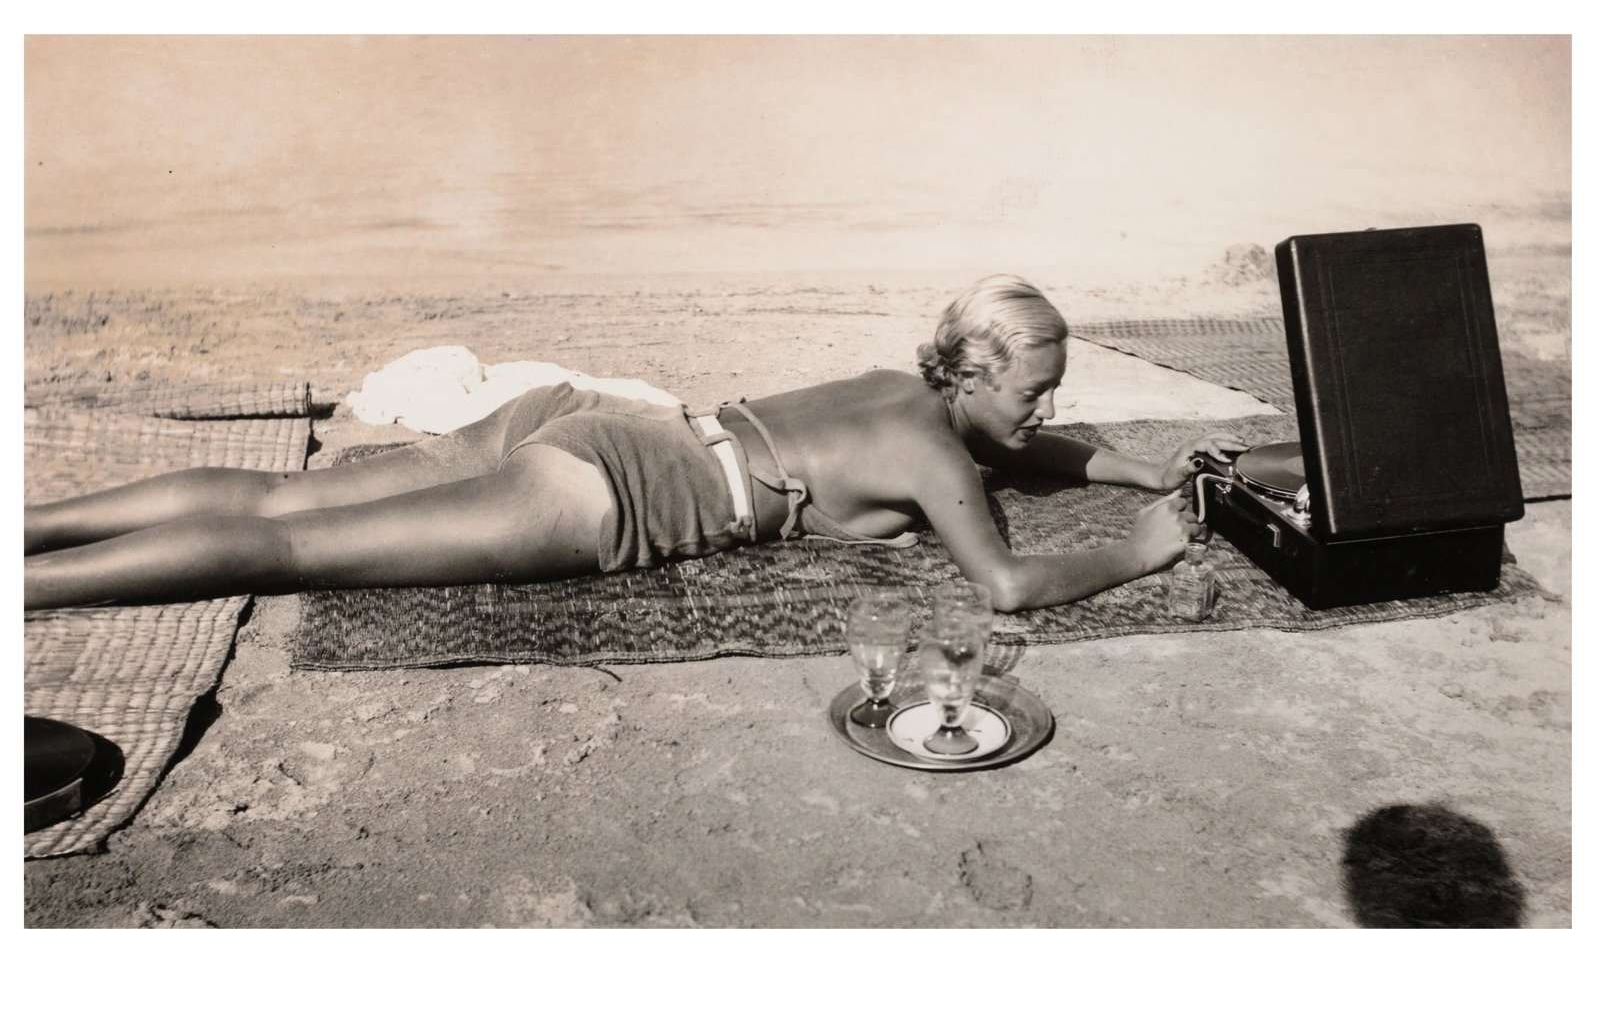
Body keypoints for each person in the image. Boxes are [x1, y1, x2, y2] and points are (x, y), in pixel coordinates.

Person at [24, 275, 1245, 613]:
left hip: (597, 419)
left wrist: (1124, 462)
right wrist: (1139, 550)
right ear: (972, 373)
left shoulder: (902, 385)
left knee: (280, 494)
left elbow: (1017, 451)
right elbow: (1010, 586)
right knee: (288, 550)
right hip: (617, 486)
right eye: (1039, 387)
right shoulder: (937, 449)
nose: (1046, 411)